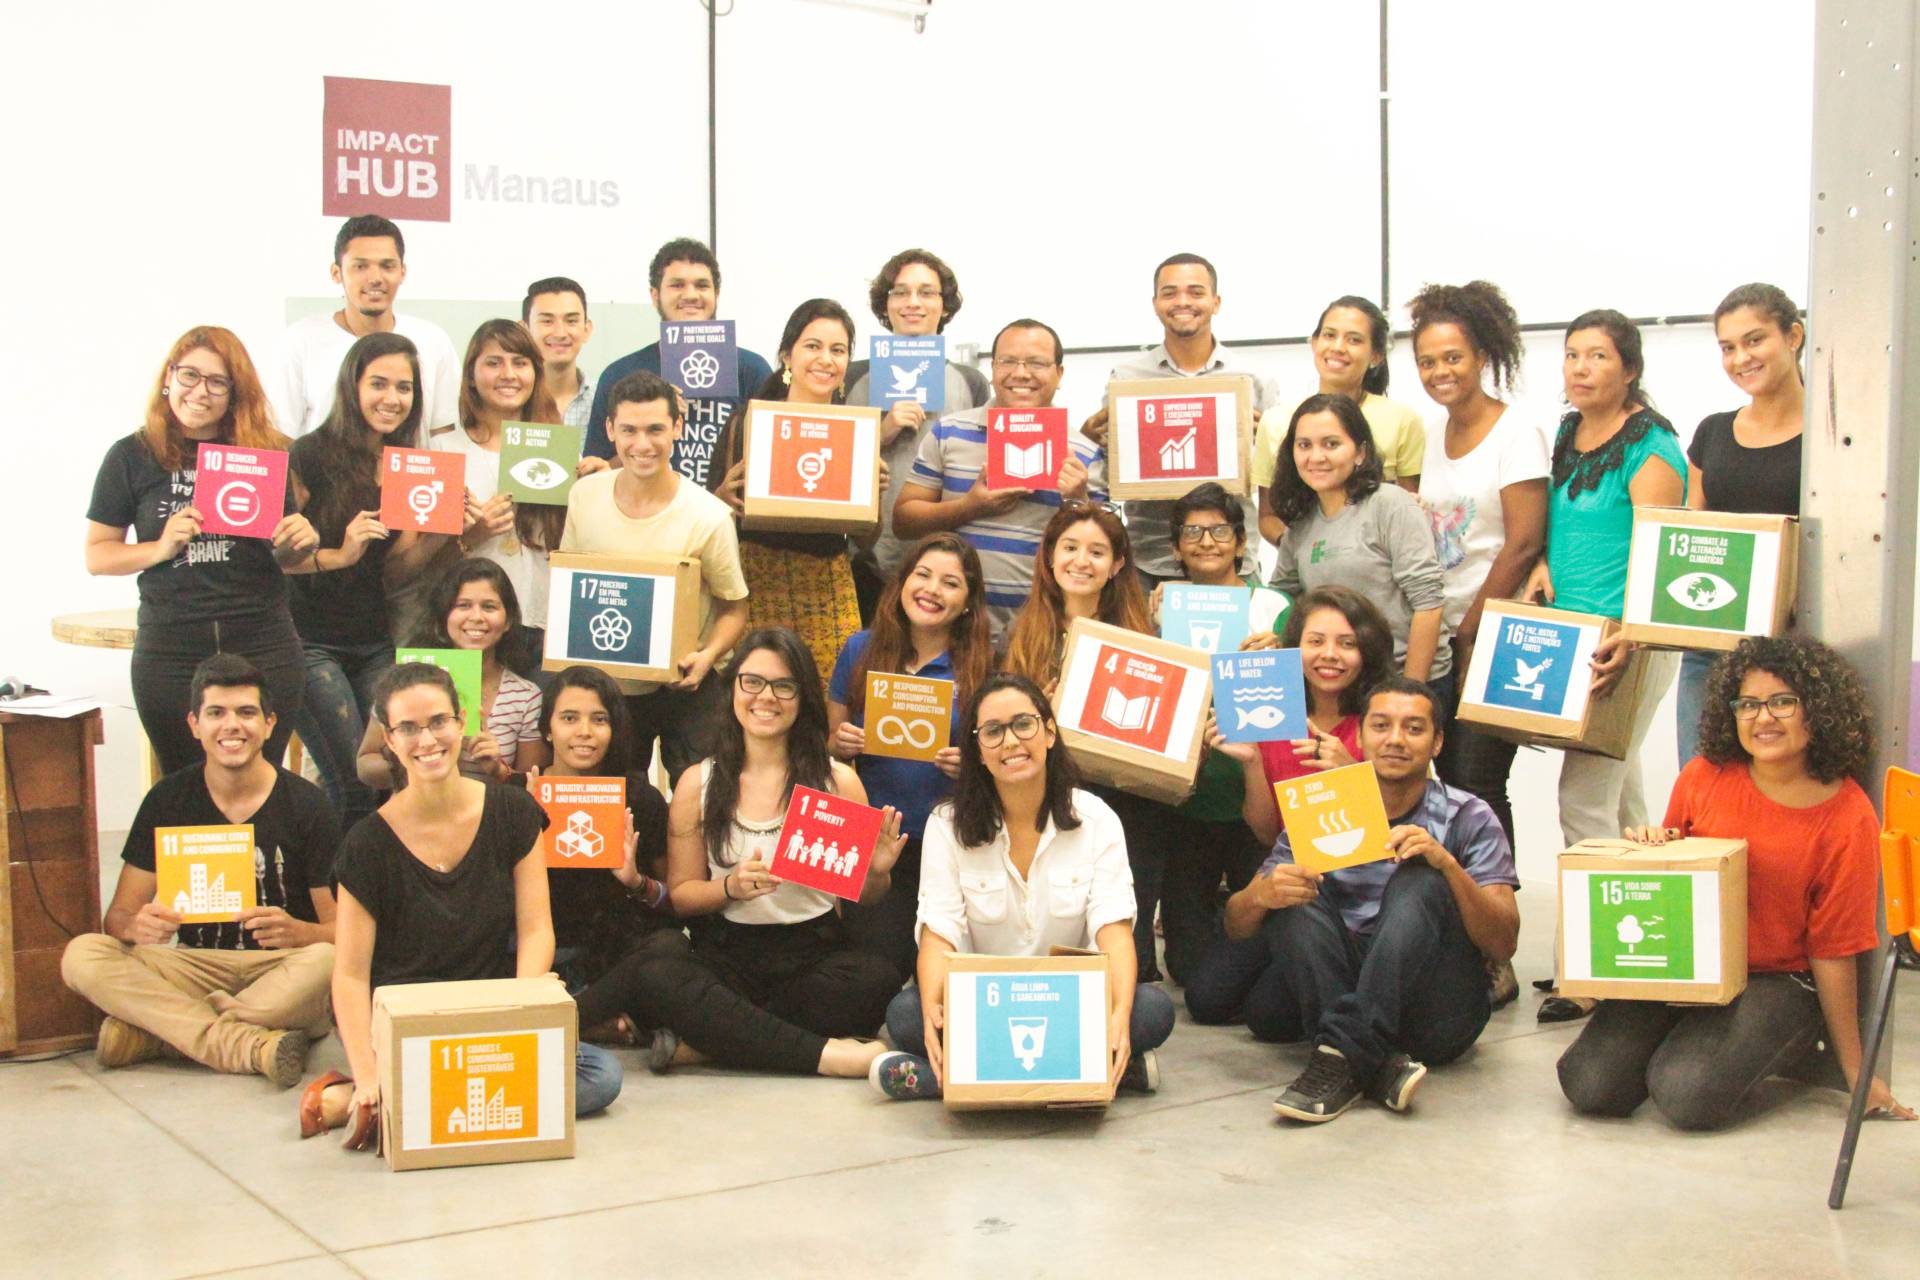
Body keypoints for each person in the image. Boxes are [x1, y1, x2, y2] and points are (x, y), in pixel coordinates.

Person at [1558, 637, 1913, 1129]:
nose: (1763, 718)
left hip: (1779, 980)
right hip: (1692, 968)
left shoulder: (1848, 816)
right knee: (1590, 1083)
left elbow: (1833, 949)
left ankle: (1750, 1040)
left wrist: (1858, 1072)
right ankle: (1701, 1031)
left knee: (1684, 1094)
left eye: (1782, 702)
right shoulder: (1703, 776)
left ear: (1819, 710)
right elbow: (1671, 884)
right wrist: (1651, 846)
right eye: (1748, 704)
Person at [305, 662, 622, 1148]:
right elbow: (349, 976)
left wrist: (522, 1006)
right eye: (408, 728)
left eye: (438, 721)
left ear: (462, 721)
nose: (427, 740)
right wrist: (368, 1073)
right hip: (406, 1020)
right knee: (518, 1088)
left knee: (601, 1076)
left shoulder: (512, 811)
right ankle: (384, 1092)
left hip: (486, 1009)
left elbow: (536, 929)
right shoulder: (365, 844)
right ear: (389, 740)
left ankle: (377, 1102)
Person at [576, 630, 904, 1078]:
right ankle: (828, 1057)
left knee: (875, 980)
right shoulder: (698, 781)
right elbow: (683, 896)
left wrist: (877, 873)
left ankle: (709, 1043)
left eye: (783, 686)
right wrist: (730, 887)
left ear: (803, 697)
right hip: (727, 956)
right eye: (752, 682)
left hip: (812, 955)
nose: (765, 697)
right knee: (659, 970)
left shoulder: (837, 781)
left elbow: (865, 896)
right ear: (733, 689)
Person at [1210, 676, 1518, 1122]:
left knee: (1422, 879)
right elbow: (1236, 925)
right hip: (1344, 981)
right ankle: (1370, 1061)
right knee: (1292, 895)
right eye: (1381, 726)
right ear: (1359, 736)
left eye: (1414, 728)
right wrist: (1261, 894)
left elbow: (1503, 942)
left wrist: (1448, 866)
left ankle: (1339, 1051)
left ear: (1437, 743)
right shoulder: (1323, 806)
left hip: (1435, 1007)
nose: (1396, 739)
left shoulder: (1469, 814)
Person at [869, 673, 1175, 1099]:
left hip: (1069, 1002)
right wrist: (933, 1006)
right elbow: (939, 930)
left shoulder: (1097, 818)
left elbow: (1114, 929)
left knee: (1150, 1010)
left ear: (1048, 732)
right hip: (986, 1003)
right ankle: (1102, 1072)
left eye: (1023, 724)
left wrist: (1119, 1014)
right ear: (978, 751)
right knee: (906, 1013)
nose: (1010, 741)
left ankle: (956, 1076)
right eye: (992, 731)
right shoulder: (946, 825)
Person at [61, 655, 336, 1087]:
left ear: (269, 724)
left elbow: (342, 932)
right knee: (84, 954)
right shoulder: (168, 800)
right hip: (193, 965)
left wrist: (300, 932)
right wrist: (137, 926)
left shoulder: (308, 804)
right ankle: (248, 1044)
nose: (232, 726)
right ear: (194, 724)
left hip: (281, 967)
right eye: (216, 713)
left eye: (247, 712)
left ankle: (158, 1033)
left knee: (327, 960)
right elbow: (117, 919)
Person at [1526, 310, 1686, 1022]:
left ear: (1630, 368)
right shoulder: (1569, 433)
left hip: (1627, 646)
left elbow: (1662, 553)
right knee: (1624, 807)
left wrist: (1633, 635)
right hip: (1574, 640)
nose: (1580, 368)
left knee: (1583, 801)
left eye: (1597, 356)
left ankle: (1584, 971)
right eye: (1571, 355)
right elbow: (1560, 527)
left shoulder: (1652, 446)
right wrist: (1538, 562)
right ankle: (1642, 955)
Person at [86, 327, 318, 774]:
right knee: (184, 782)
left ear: (235, 393)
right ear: (168, 377)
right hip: (171, 642)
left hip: (261, 636)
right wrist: (160, 547)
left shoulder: (262, 454)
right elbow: (98, 555)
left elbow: (285, 560)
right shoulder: (131, 455)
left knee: (260, 778)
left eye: (217, 382)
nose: (200, 391)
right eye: (189, 375)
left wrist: (298, 543)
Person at [1002, 502, 1182, 980]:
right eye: (1070, 548)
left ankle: (1130, 997)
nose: (1081, 561)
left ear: (1118, 564)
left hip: (1129, 803)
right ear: (1050, 555)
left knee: (1122, 930)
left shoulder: (1147, 638)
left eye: (1097, 552)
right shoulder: (1020, 635)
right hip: (1047, 796)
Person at [285, 332, 449, 831]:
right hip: (311, 642)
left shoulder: (408, 461)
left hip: (375, 641)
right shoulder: (307, 454)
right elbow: (279, 559)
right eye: (379, 384)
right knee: (350, 783)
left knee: (388, 775)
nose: (392, 398)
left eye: (404, 387)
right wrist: (341, 552)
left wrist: (445, 532)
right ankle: (334, 882)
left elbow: (395, 570)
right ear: (352, 385)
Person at [560, 369, 750, 787]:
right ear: (609, 430)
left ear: (677, 428)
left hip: (687, 685)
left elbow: (734, 609)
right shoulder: (583, 497)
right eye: (629, 430)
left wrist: (708, 656)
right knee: (614, 797)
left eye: (655, 430)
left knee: (701, 794)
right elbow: (570, 588)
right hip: (612, 689)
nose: (642, 445)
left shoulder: (709, 516)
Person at [1409, 280, 1546, 846]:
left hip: (1494, 636)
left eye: (1453, 357)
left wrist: (1470, 632)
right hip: (1439, 636)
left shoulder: (1517, 433)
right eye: (1426, 361)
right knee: (1442, 782)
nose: (1439, 371)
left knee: (1479, 779)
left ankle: (1497, 894)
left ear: (1483, 357)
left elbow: (1523, 542)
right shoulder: (1431, 435)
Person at [827, 533, 992, 980]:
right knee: (877, 968)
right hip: (872, 838)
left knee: (944, 972)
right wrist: (841, 743)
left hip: (953, 840)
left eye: (950, 583)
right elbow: (827, 745)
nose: (932, 590)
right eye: (923, 575)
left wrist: (974, 765)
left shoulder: (982, 664)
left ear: (968, 601)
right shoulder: (859, 648)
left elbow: (998, 757)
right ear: (902, 581)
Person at [1140, 483, 1287, 985]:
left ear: (1241, 543)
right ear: (1175, 547)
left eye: (1220, 531)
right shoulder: (1158, 607)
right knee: (1187, 968)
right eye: (1192, 532)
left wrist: (1285, 649)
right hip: (1188, 801)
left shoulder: (1274, 607)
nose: (1207, 541)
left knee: (1263, 945)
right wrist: (1153, 628)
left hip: (1256, 799)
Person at [892, 318, 1103, 635]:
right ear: (992, 370)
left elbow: (1104, 555)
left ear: (1059, 374)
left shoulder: (1083, 453)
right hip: (952, 627)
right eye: (1007, 361)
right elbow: (903, 523)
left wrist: (1077, 499)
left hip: (1039, 629)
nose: (1021, 373)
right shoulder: (949, 432)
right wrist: (969, 507)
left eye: (1036, 363)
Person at [1083, 253, 1276, 589]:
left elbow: (1275, 471)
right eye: (1170, 293)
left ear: (1216, 302)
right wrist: (1089, 440)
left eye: (1196, 292)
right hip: (1149, 559)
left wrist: (1264, 444)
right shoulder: (1126, 379)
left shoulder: (1252, 379)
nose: (1183, 302)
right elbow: (1108, 470)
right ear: (1155, 303)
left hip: (1232, 561)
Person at [1675, 284, 1805, 766]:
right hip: (1710, 647)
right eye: (1727, 347)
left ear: (1793, 336)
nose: (1740, 358)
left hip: (1796, 648)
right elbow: (1688, 535)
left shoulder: (1835, 434)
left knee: (1786, 786)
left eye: (1754, 340)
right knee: (1704, 779)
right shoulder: (1712, 432)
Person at [714, 299, 865, 679]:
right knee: (758, 698)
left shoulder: (859, 432)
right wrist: (720, 499)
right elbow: (707, 519)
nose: (825, 359)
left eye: (838, 350)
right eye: (813, 346)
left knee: (833, 700)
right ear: (786, 356)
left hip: (828, 584)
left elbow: (866, 538)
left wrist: (872, 497)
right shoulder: (745, 424)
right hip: (755, 581)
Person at [843, 249, 992, 620]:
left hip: (946, 559)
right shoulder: (852, 377)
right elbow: (829, 459)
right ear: (886, 304)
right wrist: (880, 433)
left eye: (926, 292)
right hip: (866, 557)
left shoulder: (971, 381)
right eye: (900, 292)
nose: (913, 302)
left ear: (944, 306)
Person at [1268, 394, 1452, 695]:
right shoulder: (1300, 525)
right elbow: (1280, 600)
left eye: (1331, 444)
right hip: (1342, 682)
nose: (1316, 457)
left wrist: (1408, 694)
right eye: (1304, 445)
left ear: (1360, 453)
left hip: (1407, 678)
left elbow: (1429, 603)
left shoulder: (1390, 505)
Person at [528, 667, 684, 1008]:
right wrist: (524, 831)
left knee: (671, 949)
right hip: (538, 958)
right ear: (548, 729)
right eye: (569, 718)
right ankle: (594, 1022)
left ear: (615, 729)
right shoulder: (520, 795)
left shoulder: (640, 798)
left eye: (599, 720)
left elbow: (675, 901)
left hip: (617, 957)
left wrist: (637, 882)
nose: (584, 732)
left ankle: (584, 1019)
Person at [581, 238, 773, 486]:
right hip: (645, 508)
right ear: (655, 295)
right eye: (677, 285)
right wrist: (655, 414)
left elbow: (773, 461)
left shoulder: (751, 369)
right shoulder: (620, 373)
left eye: (702, 285)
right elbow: (598, 472)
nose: (691, 295)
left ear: (716, 294)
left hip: (727, 509)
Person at [431, 319, 565, 658]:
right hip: (470, 630)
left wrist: (595, 481)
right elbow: (418, 568)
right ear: (471, 375)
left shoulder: (559, 449)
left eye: (520, 363)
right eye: (493, 363)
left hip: (543, 624)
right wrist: (471, 536)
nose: (508, 374)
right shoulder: (443, 450)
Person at [355, 559, 548, 788]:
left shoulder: (525, 696)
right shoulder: (405, 682)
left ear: (508, 621)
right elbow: (365, 766)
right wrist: (412, 759)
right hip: (417, 807)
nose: (476, 617)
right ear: (444, 615)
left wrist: (497, 769)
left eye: (489, 607)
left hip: (487, 808)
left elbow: (531, 787)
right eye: (463, 605)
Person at [1254, 295, 1426, 544]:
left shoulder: (1402, 420)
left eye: (1354, 339)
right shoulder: (1276, 421)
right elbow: (1268, 517)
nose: (1338, 347)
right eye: (1329, 335)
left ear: (1376, 355)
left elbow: (1409, 509)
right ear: (1314, 343)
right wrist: (1307, 553)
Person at [273, 214, 459, 436]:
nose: (375, 278)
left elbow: (444, 434)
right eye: (360, 266)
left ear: (402, 272)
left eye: (387, 266)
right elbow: (281, 435)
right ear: (336, 273)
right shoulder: (300, 339)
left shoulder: (433, 340)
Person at [524, 277, 597, 428]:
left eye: (571, 321)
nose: (560, 333)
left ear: (587, 329)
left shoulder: (604, 399)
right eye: (547, 321)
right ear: (524, 329)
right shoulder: (510, 400)